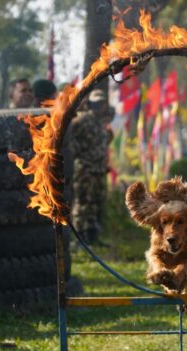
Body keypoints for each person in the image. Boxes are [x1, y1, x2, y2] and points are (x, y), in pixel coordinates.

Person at [68, 89, 110, 244]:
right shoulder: (81, 120)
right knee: (82, 202)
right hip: (85, 169)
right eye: (97, 103)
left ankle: (93, 237)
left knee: (95, 203)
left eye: (102, 103)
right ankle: (79, 239)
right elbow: (70, 140)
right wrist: (81, 155)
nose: (100, 106)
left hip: (99, 169)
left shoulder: (101, 122)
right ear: (90, 104)